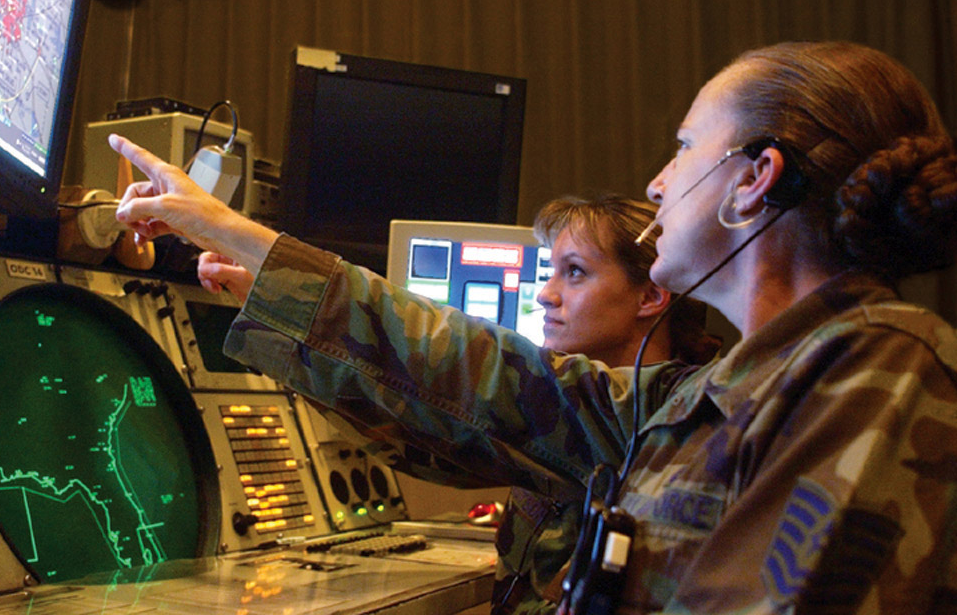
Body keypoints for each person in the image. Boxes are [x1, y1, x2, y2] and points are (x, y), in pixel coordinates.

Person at [110, 40, 957, 613]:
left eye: (685, 147)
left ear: (753, 179)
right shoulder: (705, 396)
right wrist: (243, 241)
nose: (659, 183)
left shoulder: (877, 369)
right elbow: (483, 377)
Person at [198, 195, 720, 613]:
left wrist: (233, 234)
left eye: (576, 272)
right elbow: (432, 443)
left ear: (651, 296)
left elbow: (470, 370)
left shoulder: (665, 412)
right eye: (551, 271)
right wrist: (275, 314)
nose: (546, 294)